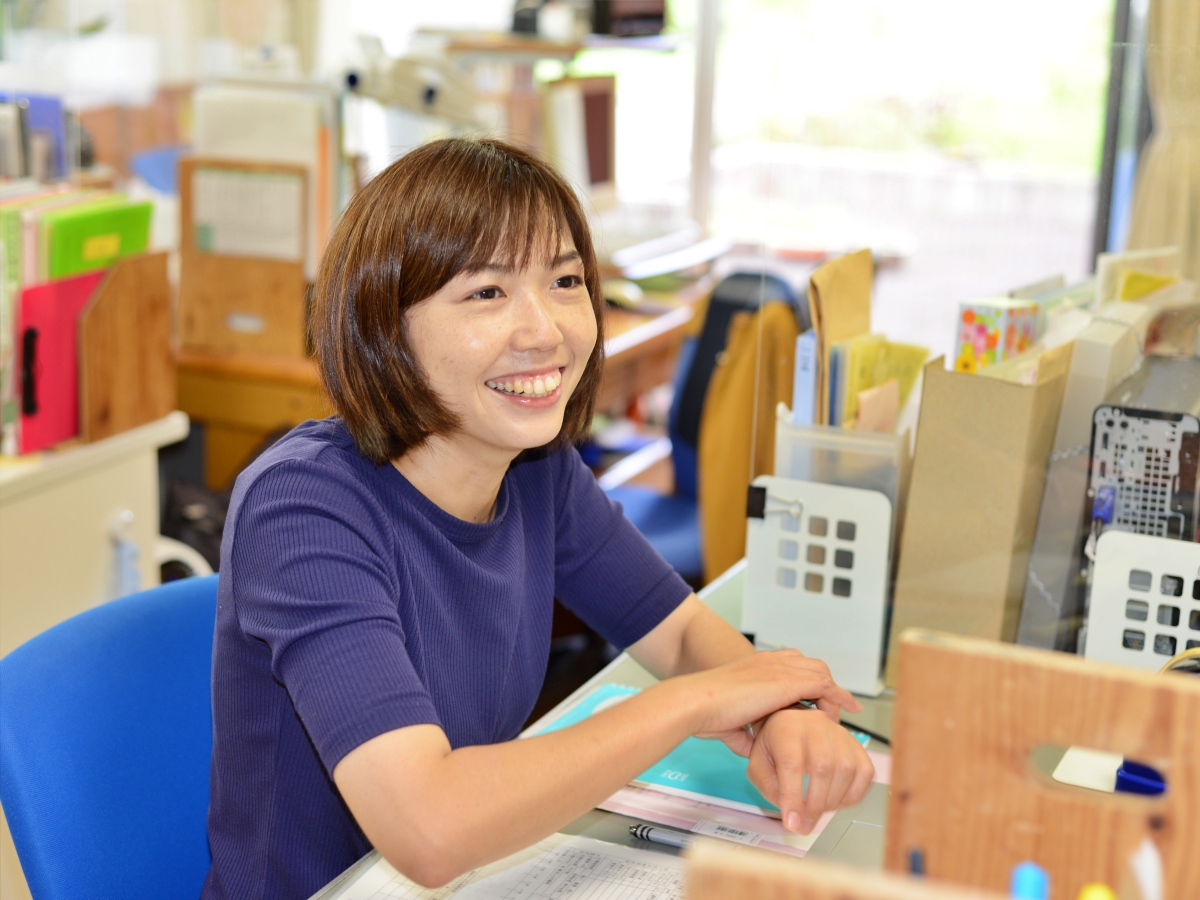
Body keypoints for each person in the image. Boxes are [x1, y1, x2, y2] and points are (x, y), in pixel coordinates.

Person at [202, 138, 873, 900]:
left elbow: (679, 630)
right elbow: (429, 829)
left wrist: (780, 710)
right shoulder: (304, 508)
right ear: (385, 323)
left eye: (564, 280)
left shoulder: (534, 467)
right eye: (487, 293)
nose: (546, 331)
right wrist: (698, 702)